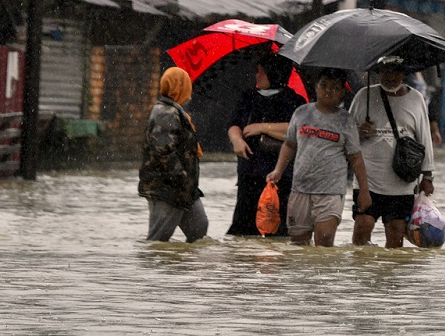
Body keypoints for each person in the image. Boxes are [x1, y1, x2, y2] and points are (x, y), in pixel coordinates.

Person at [266, 68, 371, 247]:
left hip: (330, 191)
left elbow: (355, 158)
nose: (328, 91)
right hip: (300, 187)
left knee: (324, 240)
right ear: (316, 87)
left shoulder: (346, 121)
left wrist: (364, 191)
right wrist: (278, 170)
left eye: (335, 88)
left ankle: (324, 276)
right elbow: (289, 144)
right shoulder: (301, 113)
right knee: (298, 243)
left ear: (342, 93)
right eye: (324, 85)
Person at [349, 56, 435, 248]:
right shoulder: (363, 96)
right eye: (385, 71)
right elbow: (346, 134)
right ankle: (361, 276)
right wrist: (359, 132)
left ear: (404, 73)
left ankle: (391, 278)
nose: (389, 76)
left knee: (396, 235)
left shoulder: (416, 99)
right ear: (378, 72)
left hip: (402, 182)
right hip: (367, 180)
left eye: (395, 71)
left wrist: (428, 176)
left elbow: (425, 139)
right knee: (362, 228)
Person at [226, 53, 304, 236]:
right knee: (244, 231)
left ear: (274, 73)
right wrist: (237, 140)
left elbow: (296, 130)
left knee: (277, 231)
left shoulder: (294, 101)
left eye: (261, 72)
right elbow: (233, 124)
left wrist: (263, 127)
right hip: (249, 174)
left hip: (280, 179)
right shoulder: (248, 96)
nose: (257, 76)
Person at [138, 66, 208, 242]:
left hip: (184, 189)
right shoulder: (164, 113)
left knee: (198, 228)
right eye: (186, 85)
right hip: (166, 188)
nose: (190, 90)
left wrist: (187, 184)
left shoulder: (176, 112)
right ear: (179, 87)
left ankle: (183, 267)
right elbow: (164, 152)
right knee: (158, 240)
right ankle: (154, 269)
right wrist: (181, 177)